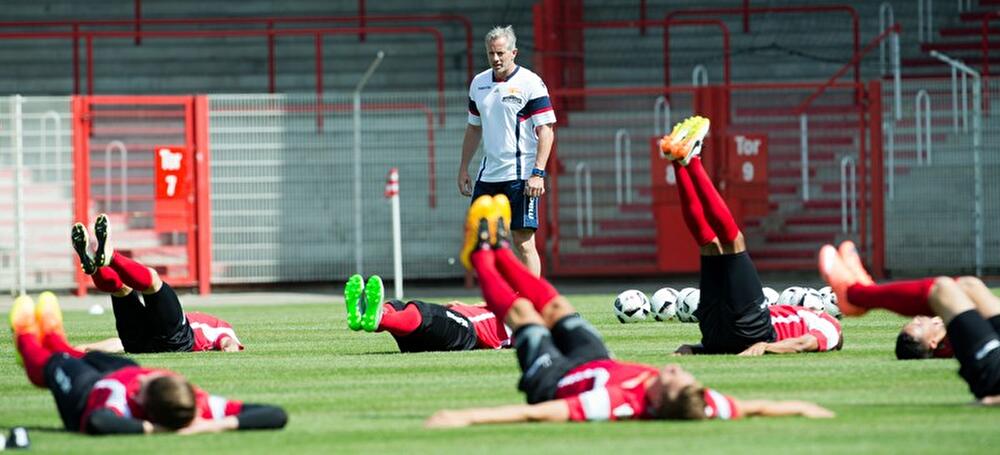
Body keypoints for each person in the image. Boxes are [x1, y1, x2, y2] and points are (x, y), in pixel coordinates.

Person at [424, 195, 834, 427]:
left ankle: (480, 256)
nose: (673, 371)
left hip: (553, 378)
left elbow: (543, 414)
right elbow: (754, 407)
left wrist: (466, 418)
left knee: (525, 318)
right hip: (595, 359)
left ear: (657, 402)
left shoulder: (618, 404)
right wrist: (802, 407)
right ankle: (497, 247)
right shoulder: (701, 402)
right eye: (681, 375)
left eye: (670, 380)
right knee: (558, 305)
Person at [659, 117, 842, 356]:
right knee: (709, 245)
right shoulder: (797, 313)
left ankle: (691, 161)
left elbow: (804, 344)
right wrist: (697, 349)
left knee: (733, 242)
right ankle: (677, 161)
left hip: (753, 330)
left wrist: (766, 346)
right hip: (718, 335)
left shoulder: (832, 329)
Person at [7, 293, 287, 435]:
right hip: (121, 374)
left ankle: (26, 338)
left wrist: (153, 429)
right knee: (122, 361)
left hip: (85, 393)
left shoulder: (117, 401)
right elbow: (276, 415)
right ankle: (56, 338)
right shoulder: (197, 403)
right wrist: (206, 426)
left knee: (56, 364)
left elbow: (98, 421)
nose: (145, 376)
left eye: (144, 385)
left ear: (144, 406)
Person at [819, 241, 1000, 404]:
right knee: (969, 285)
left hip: (993, 372)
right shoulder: (949, 339)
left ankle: (856, 294)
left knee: (943, 289)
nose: (918, 318)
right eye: (919, 325)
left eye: (918, 323)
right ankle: (861, 292)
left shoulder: (951, 342)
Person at [457, 25, 556, 276]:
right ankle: (499, 300)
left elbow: (546, 130)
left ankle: (533, 302)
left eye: (501, 53)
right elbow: (473, 128)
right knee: (482, 243)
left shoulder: (530, 82)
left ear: (514, 52)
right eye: (491, 53)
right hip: (488, 176)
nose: (496, 59)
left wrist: (538, 173)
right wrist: (463, 168)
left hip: (521, 176)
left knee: (523, 242)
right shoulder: (478, 83)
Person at [71, 214, 242, 353]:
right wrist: (86, 348)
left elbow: (229, 341)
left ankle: (107, 260)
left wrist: (230, 348)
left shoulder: (221, 326)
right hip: (139, 345)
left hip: (174, 341)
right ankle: (97, 267)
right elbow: (120, 344)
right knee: (121, 290)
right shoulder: (187, 322)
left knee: (151, 281)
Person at [342, 274, 510, 352]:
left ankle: (378, 318)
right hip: (456, 323)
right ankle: (367, 316)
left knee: (425, 314)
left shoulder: (528, 320)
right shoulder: (513, 305)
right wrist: (468, 306)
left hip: (468, 332)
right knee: (398, 306)